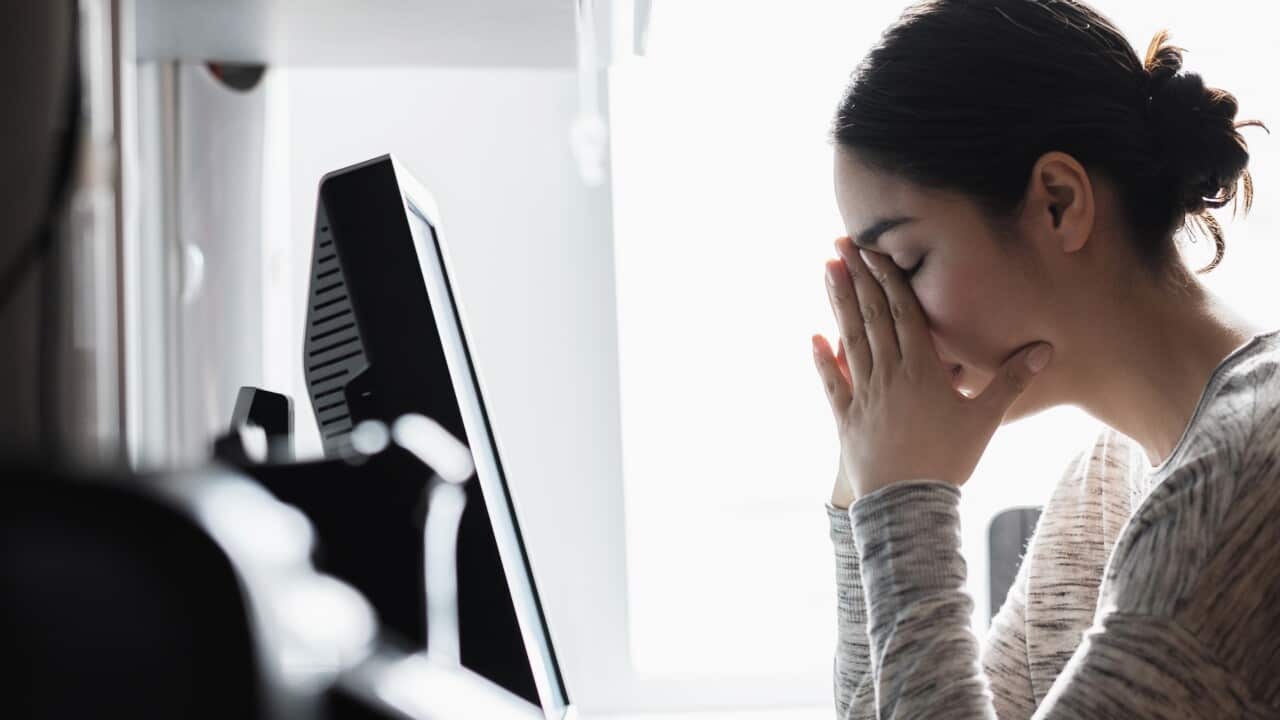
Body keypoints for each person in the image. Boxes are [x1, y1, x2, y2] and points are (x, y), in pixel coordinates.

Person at [809, 0, 1280, 717]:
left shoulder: (1244, 482)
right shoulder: (1102, 487)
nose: (889, 323)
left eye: (906, 264)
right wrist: (863, 483)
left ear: (1059, 203)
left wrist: (904, 500)